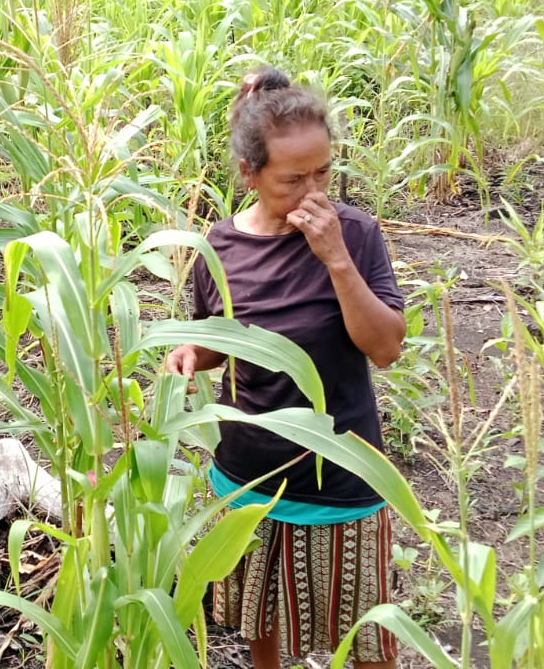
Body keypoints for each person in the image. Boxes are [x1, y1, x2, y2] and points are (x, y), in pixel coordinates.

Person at [165, 67, 407, 669]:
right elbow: (222, 338)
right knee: (261, 623)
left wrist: (337, 261)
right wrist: (194, 354)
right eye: (292, 179)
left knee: (369, 639)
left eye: (323, 172)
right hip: (248, 476)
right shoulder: (220, 246)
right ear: (250, 174)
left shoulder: (355, 234)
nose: (313, 191)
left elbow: (385, 348)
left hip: (342, 474)